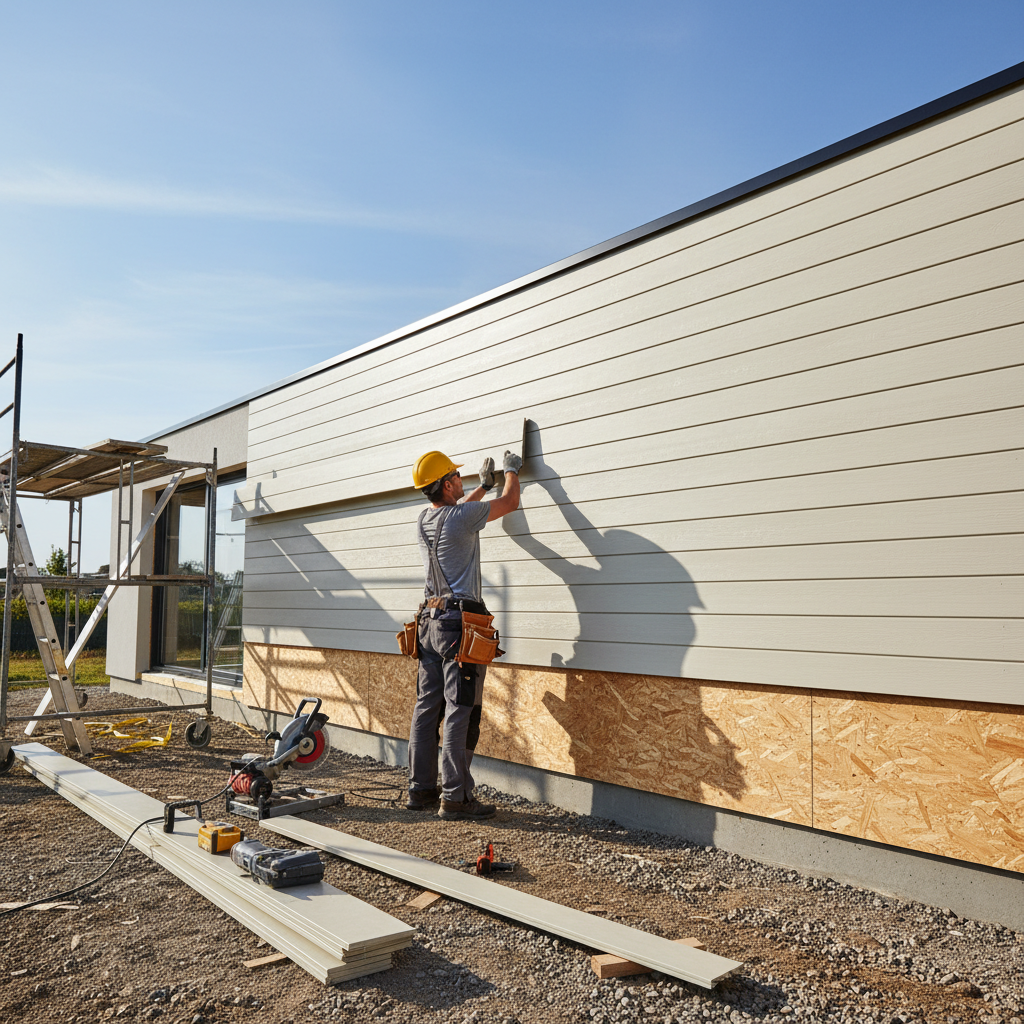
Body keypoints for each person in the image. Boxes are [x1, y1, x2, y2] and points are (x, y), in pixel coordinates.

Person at [405, 448, 522, 819]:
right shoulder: (462, 517)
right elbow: (512, 502)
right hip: (459, 626)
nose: (461, 478)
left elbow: (458, 515)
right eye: (456, 475)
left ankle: (421, 790)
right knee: (460, 709)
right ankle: (455, 797)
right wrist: (510, 472)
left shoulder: (425, 519)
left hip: (428, 624)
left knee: (427, 708)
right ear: (445, 483)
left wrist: (480, 488)